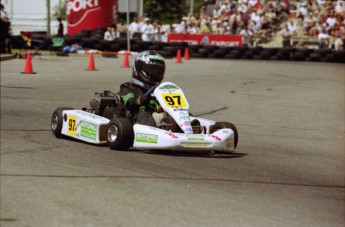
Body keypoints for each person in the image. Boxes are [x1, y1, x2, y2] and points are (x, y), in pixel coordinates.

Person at [118, 51, 166, 126]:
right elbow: (130, 104)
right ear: (139, 70)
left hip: (158, 117)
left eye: (158, 71)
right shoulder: (128, 87)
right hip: (134, 119)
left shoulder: (159, 90)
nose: (155, 74)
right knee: (145, 116)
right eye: (152, 70)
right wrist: (142, 98)